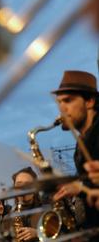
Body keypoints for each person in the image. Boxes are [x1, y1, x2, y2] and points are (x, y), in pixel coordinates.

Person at [51, 70, 99, 236]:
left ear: (90, 101)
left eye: (68, 101)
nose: (61, 109)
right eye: (59, 102)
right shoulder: (81, 144)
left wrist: (79, 187)